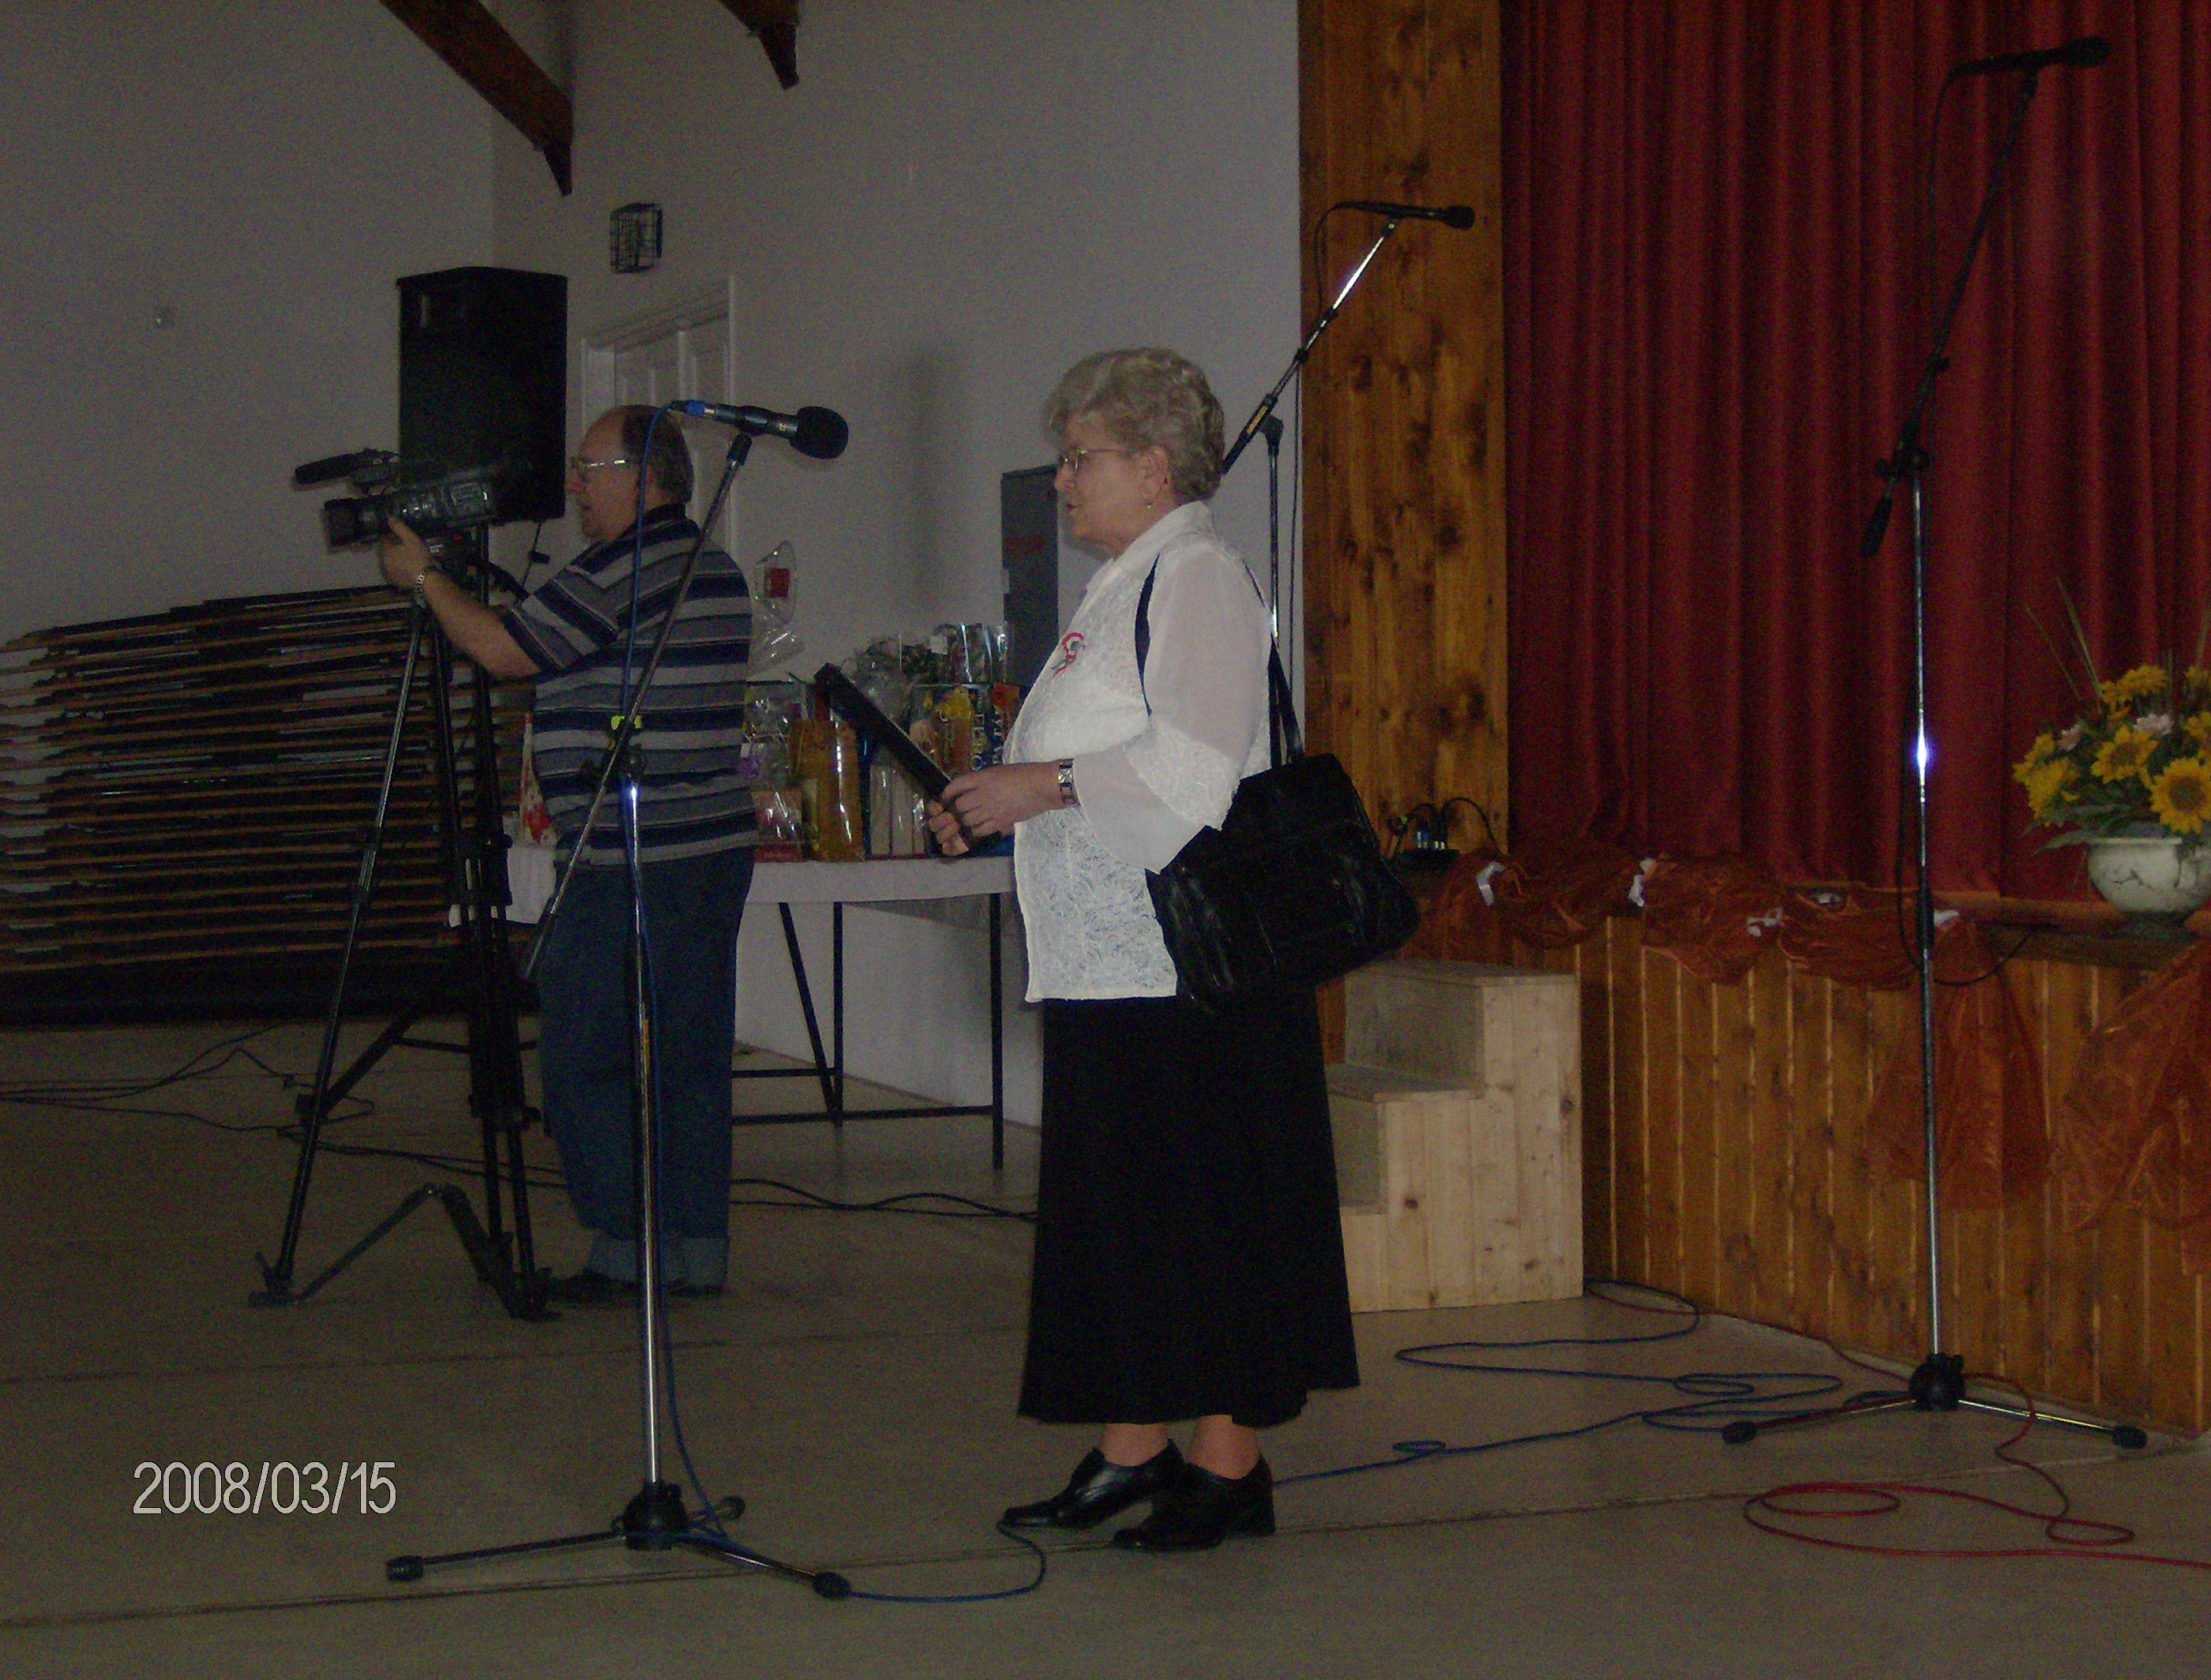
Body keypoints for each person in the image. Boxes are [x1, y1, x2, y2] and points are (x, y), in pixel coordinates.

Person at [929, 347, 1358, 1552]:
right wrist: (996, 801)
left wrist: (1038, 786)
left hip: (1190, 976)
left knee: (1207, 1214)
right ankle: (1133, 1450)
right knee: (1126, 1219)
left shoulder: (1200, 575)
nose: (1063, 481)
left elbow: (1195, 773)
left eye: (1082, 458)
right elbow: (1098, 758)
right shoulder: (1128, 581)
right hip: (1115, 970)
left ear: (1155, 465)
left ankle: (1230, 1467)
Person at [377, 404, 754, 1304]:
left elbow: (503, 651)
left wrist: (424, 577)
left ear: (644, 475)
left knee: (586, 1052)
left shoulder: (619, 568)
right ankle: (695, 1249)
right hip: (709, 848)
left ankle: (626, 1249)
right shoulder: (716, 567)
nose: (576, 485)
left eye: (591, 468)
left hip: (630, 855)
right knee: (688, 1055)